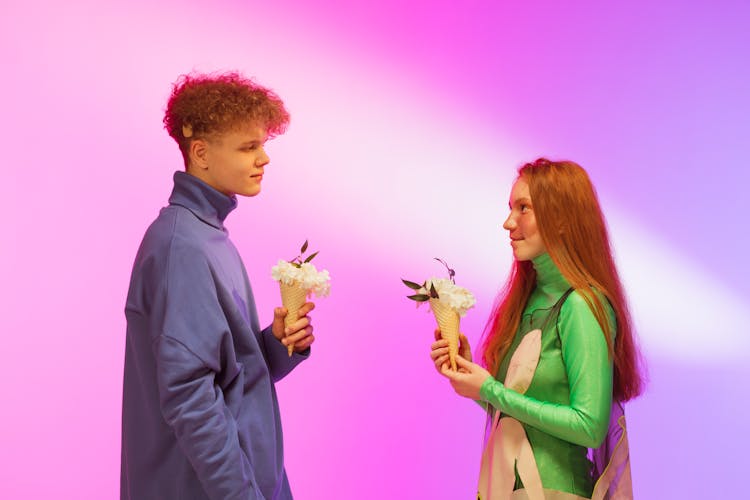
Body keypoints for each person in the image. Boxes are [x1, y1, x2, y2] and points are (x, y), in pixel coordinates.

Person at [121, 72, 315, 500]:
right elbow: (191, 401)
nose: (264, 158)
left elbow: (227, 374)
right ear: (201, 153)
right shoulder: (181, 247)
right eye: (249, 147)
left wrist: (275, 344)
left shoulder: (206, 234)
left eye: (263, 144)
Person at [431, 158, 643, 499]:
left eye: (523, 208)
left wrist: (491, 390)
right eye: (510, 208)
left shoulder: (581, 304)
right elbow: (524, 421)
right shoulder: (528, 300)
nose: (508, 222)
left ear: (560, 219)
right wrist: (475, 378)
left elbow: (589, 426)